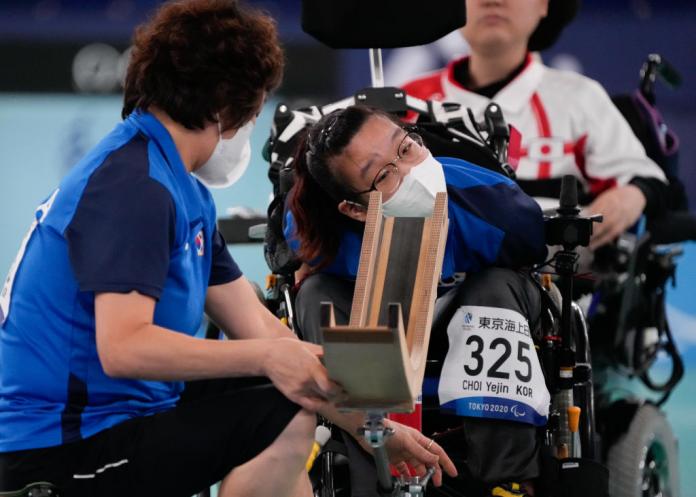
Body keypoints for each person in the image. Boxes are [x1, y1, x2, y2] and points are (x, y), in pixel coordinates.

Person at [0, 2, 454, 496]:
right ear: (225, 105)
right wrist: (265, 360)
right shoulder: (133, 188)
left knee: (288, 394)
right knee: (283, 413)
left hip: (119, 418)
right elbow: (124, 348)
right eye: (255, 108)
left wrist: (377, 433)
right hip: (57, 454)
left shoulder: (180, 187)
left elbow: (262, 332)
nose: (250, 126)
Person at [286, 105, 551, 497]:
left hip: (475, 312)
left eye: (405, 148)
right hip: (381, 329)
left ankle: (507, 481)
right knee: (315, 294)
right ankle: (378, 476)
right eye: (383, 175)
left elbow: (533, 263)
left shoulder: (492, 203)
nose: (408, 170)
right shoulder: (318, 235)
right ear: (354, 209)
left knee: (493, 289)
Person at [402, 0, 668, 251]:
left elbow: (647, 180)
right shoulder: (407, 102)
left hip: (556, 284)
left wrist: (631, 196)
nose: (493, 1)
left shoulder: (579, 97)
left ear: (544, 4)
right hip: (432, 280)